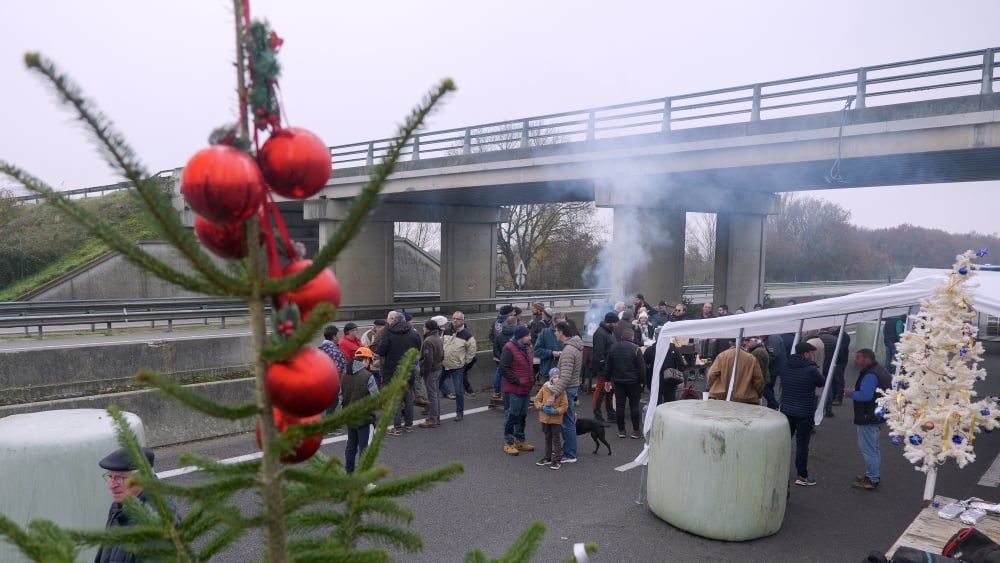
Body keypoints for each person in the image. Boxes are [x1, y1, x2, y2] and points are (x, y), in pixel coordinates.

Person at [95, 447, 179, 563]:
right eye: (110, 477)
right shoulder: (119, 506)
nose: (111, 485)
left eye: (120, 478)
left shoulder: (154, 526)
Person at [779, 342, 825, 486]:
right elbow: (821, 382)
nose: (812, 355)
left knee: (785, 442)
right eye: (811, 353)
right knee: (802, 445)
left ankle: (778, 469)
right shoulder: (810, 369)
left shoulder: (785, 366)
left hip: (786, 409)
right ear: (805, 354)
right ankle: (802, 475)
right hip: (804, 411)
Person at [846, 348, 892, 490]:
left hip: (868, 416)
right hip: (878, 415)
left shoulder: (870, 375)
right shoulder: (880, 370)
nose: (855, 360)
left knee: (868, 449)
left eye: (858, 358)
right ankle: (873, 474)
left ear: (867, 359)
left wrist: (850, 393)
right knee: (874, 448)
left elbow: (865, 396)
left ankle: (872, 479)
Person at [378, 311, 421, 435]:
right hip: (408, 370)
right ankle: (409, 425)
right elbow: (418, 348)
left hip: (392, 372)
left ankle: (397, 427)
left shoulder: (389, 333)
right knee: (408, 398)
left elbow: (381, 351)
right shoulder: (414, 333)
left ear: (395, 320)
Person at [548, 321, 583, 463]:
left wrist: (553, 393)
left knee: (566, 422)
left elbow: (566, 377)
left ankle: (570, 454)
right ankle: (568, 450)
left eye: (556, 331)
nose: (555, 333)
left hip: (567, 389)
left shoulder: (568, 351)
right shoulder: (575, 347)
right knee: (568, 420)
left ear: (562, 332)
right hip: (572, 387)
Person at [605, 323, 647, 439]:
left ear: (622, 337)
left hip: (618, 382)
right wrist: (643, 382)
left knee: (620, 406)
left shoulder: (613, 348)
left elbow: (608, 367)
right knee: (634, 406)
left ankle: (621, 431)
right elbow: (642, 368)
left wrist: (607, 380)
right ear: (632, 337)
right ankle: (636, 431)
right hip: (634, 382)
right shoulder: (636, 349)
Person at [341, 347, 379, 473]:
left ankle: (349, 473)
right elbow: (376, 398)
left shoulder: (344, 374)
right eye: (370, 361)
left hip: (349, 415)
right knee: (366, 448)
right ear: (366, 360)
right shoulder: (368, 376)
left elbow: (340, 395)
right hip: (365, 418)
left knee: (351, 445)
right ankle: (364, 479)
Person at [500, 325, 535, 455]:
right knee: (512, 416)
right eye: (528, 335)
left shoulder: (528, 348)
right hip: (514, 388)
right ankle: (508, 442)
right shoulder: (509, 348)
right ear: (521, 337)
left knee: (522, 415)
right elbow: (503, 368)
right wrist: (516, 381)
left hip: (526, 388)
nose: (530, 337)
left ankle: (520, 440)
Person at [441, 311, 477, 421]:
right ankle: (431, 410)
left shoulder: (467, 335)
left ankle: (459, 413)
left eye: (457, 319)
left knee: (458, 391)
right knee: (435, 386)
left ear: (462, 321)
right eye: (453, 318)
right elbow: (442, 344)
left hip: (457, 367)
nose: (455, 320)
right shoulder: (446, 331)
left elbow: (472, 351)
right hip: (444, 365)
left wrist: (464, 362)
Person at [707, 337, 764, 405]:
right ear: (743, 342)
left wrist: (713, 387)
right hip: (746, 399)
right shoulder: (751, 358)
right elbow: (759, 380)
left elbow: (711, 375)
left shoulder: (722, 356)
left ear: (730, 342)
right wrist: (758, 394)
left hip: (722, 396)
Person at [534, 368, 569, 470]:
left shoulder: (562, 391)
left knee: (556, 439)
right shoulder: (544, 388)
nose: (556, 379)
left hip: (556, 419)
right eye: (554, 377)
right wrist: (542, 407)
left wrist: (555, 411)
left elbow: (564, 406)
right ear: (550, 378)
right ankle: (547, 457)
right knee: (547, 438)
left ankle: (557, 459)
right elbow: (536, 400)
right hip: (544, 418)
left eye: (558, 377)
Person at [643, 334, 689, 405]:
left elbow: (644, 366)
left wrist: (646, 380)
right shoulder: (674, 348)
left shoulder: (649, 350)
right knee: (669, 405)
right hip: (670, 381)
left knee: (656, 406)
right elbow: (681, 366)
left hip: (655, 381)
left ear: (656, 338)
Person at [591, 312, 617, 422]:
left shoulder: (609, 332)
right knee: (600, 391)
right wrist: (604, 369)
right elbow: (599, 354)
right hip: (604, 369)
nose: (617, 325)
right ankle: (597, 416)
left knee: (609, 391)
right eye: (615, 323)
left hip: (609, 368)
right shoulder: (600, 333)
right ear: (610, 322)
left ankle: (610, 414)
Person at [418, 319, 444, 428]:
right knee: (436, 395)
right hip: (438, 369)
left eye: (424, 327)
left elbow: (428, 360)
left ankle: (433, 419)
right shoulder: (438, 338)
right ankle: (435, 417)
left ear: (428, 328)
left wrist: (425, 373)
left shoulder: (428, 341)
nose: (423, 329)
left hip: (431, 371)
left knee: (432, 395)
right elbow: (442, 354)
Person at [320, 325, 348, 413]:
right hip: (332, 383)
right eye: (337, 335)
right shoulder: (334, 351)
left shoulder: (320, 348)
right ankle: (329, 425)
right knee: (333, 404)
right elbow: (341, 368)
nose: (338, 337)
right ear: (333, 337)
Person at [491, 305, 516, 402]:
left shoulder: (497, 321)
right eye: (512, 311)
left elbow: (491, 335)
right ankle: (503, 392)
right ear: (508, 313)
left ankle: (497, 392)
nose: (514, 313)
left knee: (499, 372)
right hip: (507, 352)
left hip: (498, 350)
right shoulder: (509, 322)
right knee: (504, 374)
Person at [825, 326, 851, 414]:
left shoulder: (843, 336)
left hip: (840, 361)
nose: (831, 327)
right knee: (833, 379)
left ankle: (838, 397)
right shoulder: (836, 335)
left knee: (838, 379)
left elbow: (842, 350)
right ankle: (834, 397)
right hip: (836, 360)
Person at [534, 310, 565, 384]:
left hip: (564, 373)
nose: (565, 326)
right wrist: (551, 353)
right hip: (547, 373)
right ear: (554, 323)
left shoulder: (568, 333)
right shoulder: (544, 333)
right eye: (562, 324)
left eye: (565, 323)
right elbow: (537, 351)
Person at [762, 333, 787, 409]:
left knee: (765, 387)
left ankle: (774, 404)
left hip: (773, 368)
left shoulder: (772, 338)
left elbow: (773, 355)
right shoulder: (774, 337)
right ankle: (772, 405)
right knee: (769, 387)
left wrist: (764, 363)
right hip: (775, 367)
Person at [361, 319, 387, 385]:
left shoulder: (386, 333)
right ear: (375, 327)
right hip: (373, 365)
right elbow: (364, 349)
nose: (382, 330)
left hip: (384, 365)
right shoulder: (367, 335)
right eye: (380, 328)